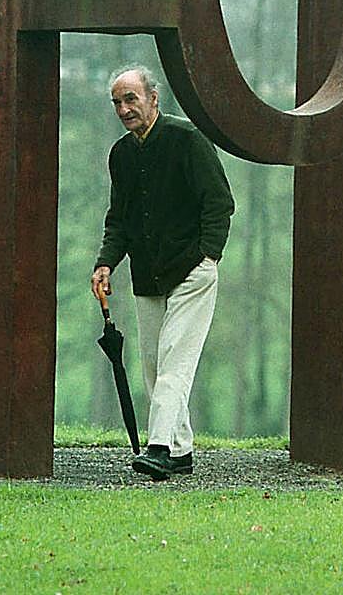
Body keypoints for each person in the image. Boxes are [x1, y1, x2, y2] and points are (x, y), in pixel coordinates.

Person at [91, 65, 234, 481]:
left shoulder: (187, 139)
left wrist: (209, 256)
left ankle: (157, 450)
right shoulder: (120, 153)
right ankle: (181, 451)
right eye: (117, 102)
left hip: (192, 271)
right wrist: (105, 263)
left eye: (131, 99)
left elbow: (219, 202)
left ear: (154, 99)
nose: (123, 108)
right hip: (148, 275)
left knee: (175, 363)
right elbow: (119, 219)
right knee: (154, 366)